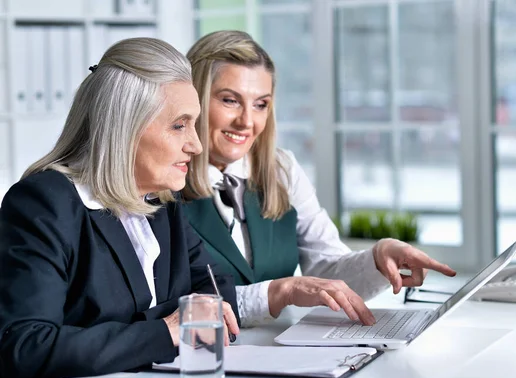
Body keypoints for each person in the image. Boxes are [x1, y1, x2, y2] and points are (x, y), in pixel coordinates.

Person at [0, 38, 240, 378]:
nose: (197, 145)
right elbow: (24, 348)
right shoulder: (43, 203)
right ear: (125, 128)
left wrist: (154, 330)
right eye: (179, 125)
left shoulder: (163, 202)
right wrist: (166, 330)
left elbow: (216, 293)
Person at [183, 30, 457, 327]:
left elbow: (328, 269)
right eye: (229, 100)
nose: (247, 121)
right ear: (192, 99)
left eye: (260, 104)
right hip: (201, 359)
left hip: (278, 353)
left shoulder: (281, 170)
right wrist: (280, 292)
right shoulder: (161, 181)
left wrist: (378, 258)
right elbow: (171, 305)